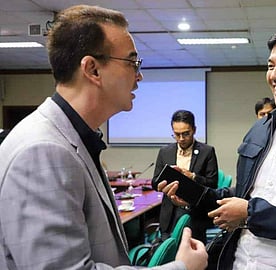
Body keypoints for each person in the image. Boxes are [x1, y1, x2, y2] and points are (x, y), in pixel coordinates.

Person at [0, 5, 207, 270]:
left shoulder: (71, 138)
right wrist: (182, 268)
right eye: (132, 62)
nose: (139, 75)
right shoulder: (43, 151)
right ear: (92, 70)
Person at [160, 26, 276, 270]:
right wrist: (194, 193)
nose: (274, 75)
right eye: (271, 66)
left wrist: (251, 213)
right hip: (238, 261)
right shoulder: (261, 129)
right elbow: (241, 197)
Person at [152, 109, 219, 244]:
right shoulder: (165, 152)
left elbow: (212, 183)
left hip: (195, 212)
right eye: (177, 135)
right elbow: (155, 181)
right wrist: (160, 185)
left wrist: (193, 176)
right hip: (170, 213)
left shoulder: (207, 151)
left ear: (194, 130)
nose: (181, 139)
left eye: (186, 134)